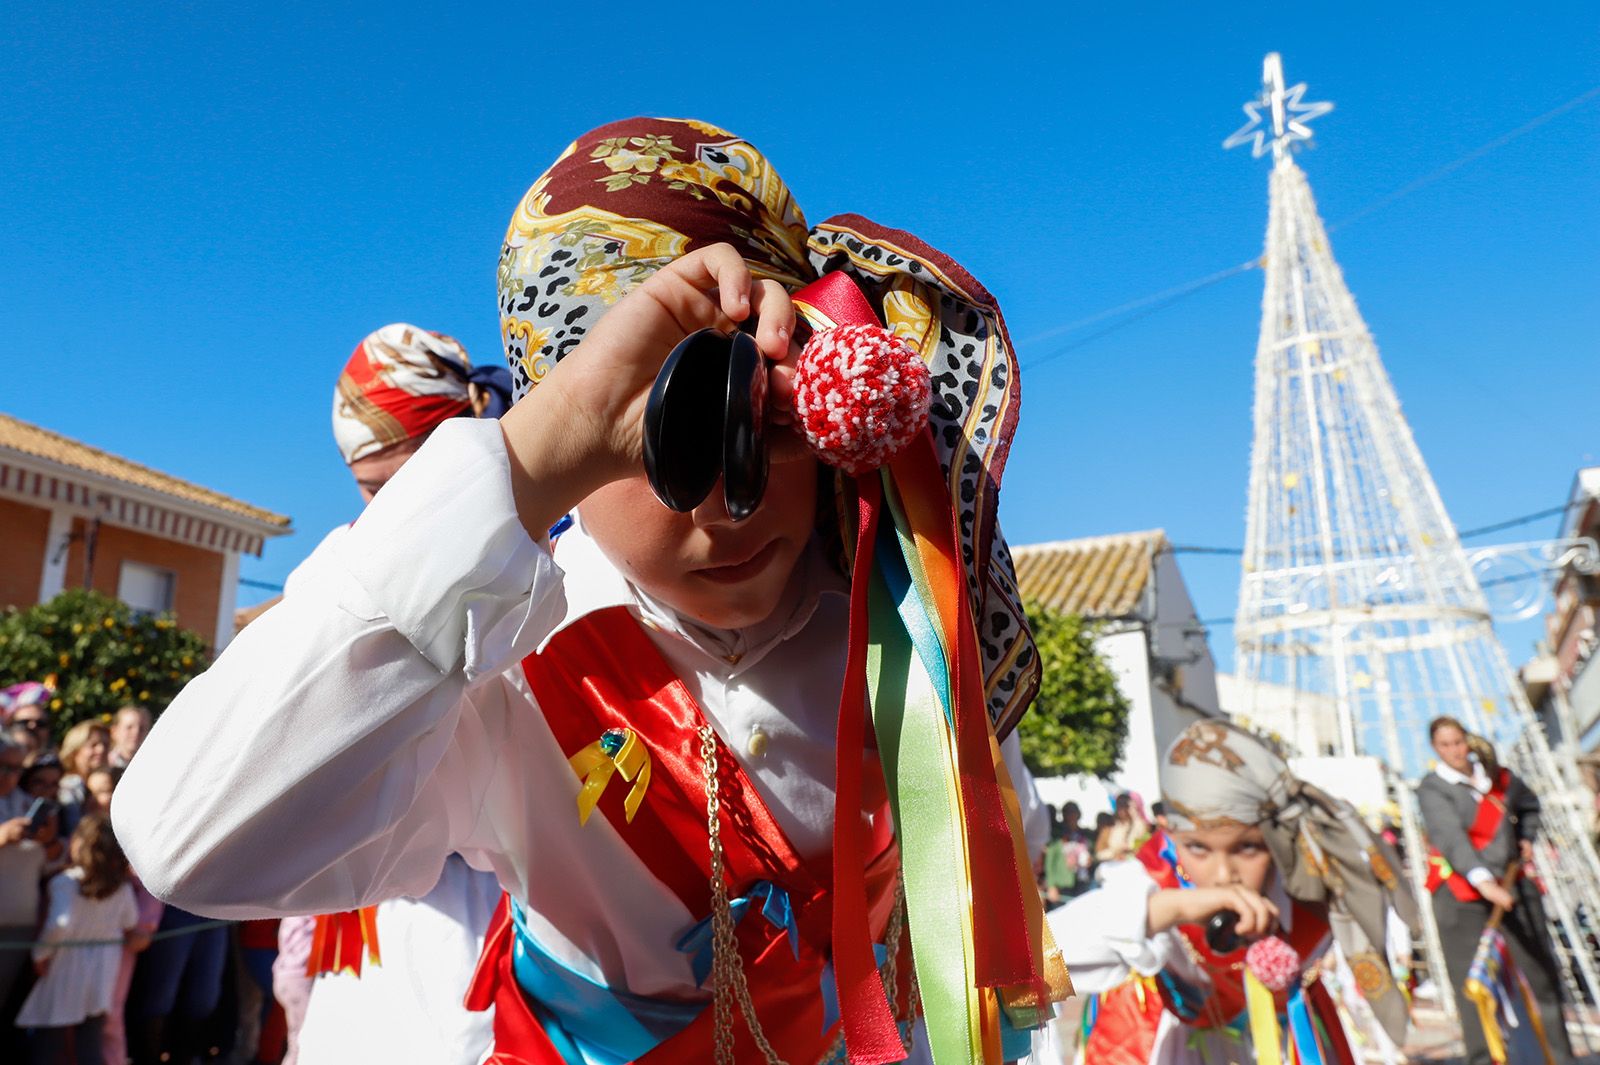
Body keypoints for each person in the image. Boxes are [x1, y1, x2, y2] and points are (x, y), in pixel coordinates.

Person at [116, 116, 1058, 1064]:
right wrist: (531, 454)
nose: (729, 505)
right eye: (658, 439)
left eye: (768, 418)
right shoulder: (502, 651)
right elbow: (186, 843)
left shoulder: (910, 629)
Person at [1048, 720, 1417, 1063]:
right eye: (1198, 849)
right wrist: (1172, 908)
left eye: (1248, 848)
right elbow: (1035, 956)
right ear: (1171, 834)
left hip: (1283, 1040)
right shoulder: (1150, 876)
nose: (1224, 875)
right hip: (1164, 1041)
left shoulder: (1314, 881)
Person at [1416, 716, 1574, 1064]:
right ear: (1435, 748)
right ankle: (1483, 1058)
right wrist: (1483, 882)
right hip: (1462, 894)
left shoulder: (1500, 779)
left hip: (1512, 885)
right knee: (1473, 988)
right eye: (1446, 745)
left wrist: (1526, 838)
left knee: (1540, 976)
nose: (1455, 751)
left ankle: (1561, 1057)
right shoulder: (1433, 788)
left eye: (1459, 742)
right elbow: (1451, 839)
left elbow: (1530, 806)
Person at [16, 815, 141, 1065]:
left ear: (76, 843)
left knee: (49, 1035)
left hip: (66, 967)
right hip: (103, 969)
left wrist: (40, 955)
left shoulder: (65, 883)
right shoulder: (122, 888)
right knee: (90, 1038)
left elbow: (58, 925)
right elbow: (131, 922)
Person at [0, 737, 47, 1045]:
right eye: (4, 767)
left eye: (17, 768)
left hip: (20, 923)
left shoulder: (24, 800)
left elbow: (48, 863)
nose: (10, 775)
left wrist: (50, 840)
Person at [59, 721, 112, 813]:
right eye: (93, 745)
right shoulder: (69, 786)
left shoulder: (111, 780)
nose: (101, 750)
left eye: (106, 745)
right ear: (75, 750)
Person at [1094, 790, 1151, 865]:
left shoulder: (1140, 826)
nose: (1123, 810)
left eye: (1126, 805)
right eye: (1120, 805)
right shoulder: (1109, 828)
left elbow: (1145, 846)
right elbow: (1099, 853)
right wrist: (1114, 853)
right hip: (1113, 865)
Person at [5, 683, 55, 758]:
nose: (33, 726)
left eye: (41, 723)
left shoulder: (57, 766)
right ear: (10, 724)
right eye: (24, 722)